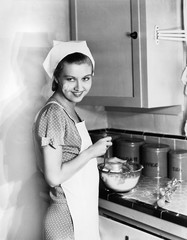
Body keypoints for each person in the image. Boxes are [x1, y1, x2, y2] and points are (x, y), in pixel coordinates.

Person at [33, 41, 112, 240]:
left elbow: (68, 155)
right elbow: (53, 176)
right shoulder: (54, 114)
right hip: (66, 218)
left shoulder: (69, 109)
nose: (79, 87)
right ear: (57, 78)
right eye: (70, 79)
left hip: (80, 213)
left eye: (85, 78)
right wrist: (91, 152)